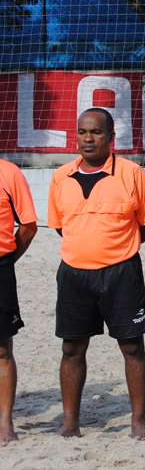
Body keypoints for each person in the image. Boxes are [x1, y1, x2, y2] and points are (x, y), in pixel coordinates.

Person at [48, 108, 145, 439]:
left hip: (122, 273)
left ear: (111, 138)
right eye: (82, 131)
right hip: (73, 274)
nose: (88, 138)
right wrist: (88, 245)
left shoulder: (131, 173)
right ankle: (70, 422)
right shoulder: (60, 178)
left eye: (96, 132)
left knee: (132, 347)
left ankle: (138, 421)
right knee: (72, 349)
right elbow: (60, 227)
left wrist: (117, 245)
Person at [0, 159, 38, 445]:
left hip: (1, 266)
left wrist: (9, 260)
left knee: (2, 350)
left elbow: (28, 225)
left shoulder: (9, 172)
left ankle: (5, 423)